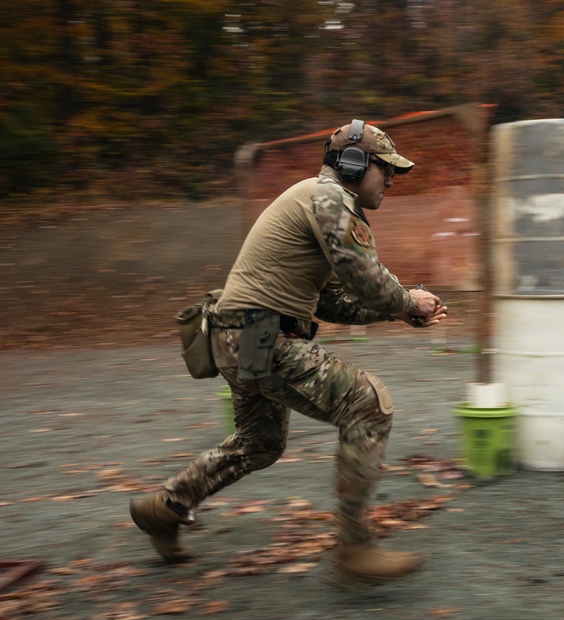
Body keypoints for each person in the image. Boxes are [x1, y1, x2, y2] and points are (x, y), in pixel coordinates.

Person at [129, 120, 447, 588]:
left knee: (260, 443)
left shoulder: (314, 199)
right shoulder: (331, 198)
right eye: (385, 168)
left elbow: (332, 301)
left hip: (245, 334)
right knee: (368, 404)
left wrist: (399, 311)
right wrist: (406, 302)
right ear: (355, 164)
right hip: (260, 333)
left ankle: (165, 508)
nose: (392, 178)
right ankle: (355, 550)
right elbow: (365, 280)